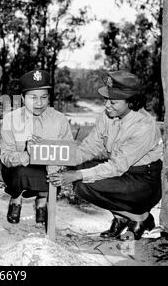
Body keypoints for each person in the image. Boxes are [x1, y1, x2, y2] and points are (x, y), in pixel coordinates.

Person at [48, 70, 163, 240]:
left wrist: (77, 175)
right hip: (121, 173)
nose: (107, 105)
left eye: (113, 102)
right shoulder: (108, 116)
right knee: (80, 177)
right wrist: (62, 157)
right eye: (106, 100)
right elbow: (89, 147)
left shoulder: (144, 126)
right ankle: (121, 217)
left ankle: (141, 218)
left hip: (143, 181)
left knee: (82, 180)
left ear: (131, 102)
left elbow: (116, 167)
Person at [0, 70, 73, 225]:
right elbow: (6, 157)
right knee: (19, 175)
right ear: (22, 98)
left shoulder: (59, 120)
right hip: (19, 168)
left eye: (44, 97)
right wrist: (28, 154)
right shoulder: (10, 119)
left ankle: (42, 201)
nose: (39, 103)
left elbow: (68, 152)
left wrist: (52, 159)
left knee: (53, 178)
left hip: (46, 169)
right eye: (33, 97)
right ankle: (16, 198)